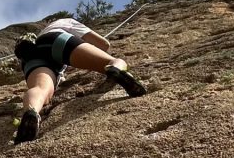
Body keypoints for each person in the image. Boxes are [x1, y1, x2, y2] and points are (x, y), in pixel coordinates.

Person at [13, 17, 147, 143]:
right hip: (56, 40)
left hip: (30, 56)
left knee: (40, 89)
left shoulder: (37, 36)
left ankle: (31, 112)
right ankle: (116, 69)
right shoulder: (66, 21)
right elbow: (104, 44)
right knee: (112, 60)